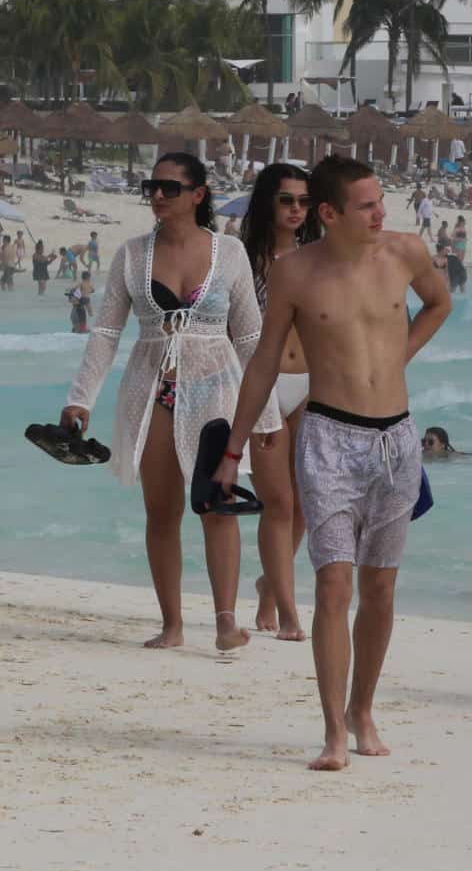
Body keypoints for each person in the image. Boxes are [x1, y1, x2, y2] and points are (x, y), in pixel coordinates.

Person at [215, 154, 449, 771]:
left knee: (380, 587)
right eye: (367, 205)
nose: (381, 212)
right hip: (329, 438)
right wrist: (233, 448)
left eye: (381, 200)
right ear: (330, 213)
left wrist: (401, 356)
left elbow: (439, 303)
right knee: (334, 583)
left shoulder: (405, 252)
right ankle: (332, 732)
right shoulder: (296, 273)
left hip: (396, 440)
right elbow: (265, 361)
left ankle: (362, 709)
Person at [62, 153, 279, 650]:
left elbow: (249, 338)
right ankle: (172, 625)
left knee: (217, 506)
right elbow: (107, 332)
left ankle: (226, 621)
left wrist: (265, 416)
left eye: (169, 187)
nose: (157, 195)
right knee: (161, 513)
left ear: (199, 195)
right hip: (150, 389)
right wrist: (80, 400)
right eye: (151, 186)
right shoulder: (132, 254)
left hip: (216, 389)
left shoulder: (230, 254)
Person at [242, 162, 319, 643]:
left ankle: (271, 586)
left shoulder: (317, 258)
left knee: (305, 506)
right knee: (279, 501)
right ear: (268, 201)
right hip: (263, 385)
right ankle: (288, 610)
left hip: (310, 385)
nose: (296, 209)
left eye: (304, 201)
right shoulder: (243, 258)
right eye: (287, 199)